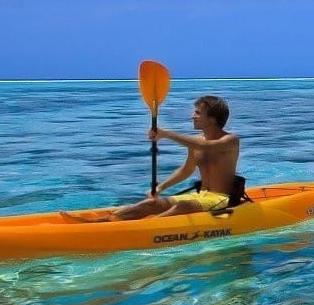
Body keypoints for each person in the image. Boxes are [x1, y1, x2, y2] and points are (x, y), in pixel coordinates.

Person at [63, 95, 240, 222]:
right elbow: (186, 170)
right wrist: (160, 187)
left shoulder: (230, 140)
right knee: (150, 204)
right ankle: (100, 222)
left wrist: (165, 133)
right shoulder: (197, 142)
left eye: (198, 113)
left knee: (183, 206)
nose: (192, 116)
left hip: (222, 199)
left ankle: (145, 228)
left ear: (213, 119)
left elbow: (206, 147)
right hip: (201, 196)